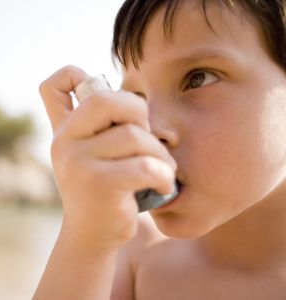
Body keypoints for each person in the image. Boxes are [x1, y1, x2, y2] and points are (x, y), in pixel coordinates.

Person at [33, 0, 286, 299]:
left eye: (198, 78)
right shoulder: (134, 255)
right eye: (136, 97)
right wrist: (86, 239)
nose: (148, 129)